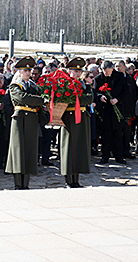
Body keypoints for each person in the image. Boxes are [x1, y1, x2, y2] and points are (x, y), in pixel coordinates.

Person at [5, 56, 44, 189]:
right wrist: (41, 100)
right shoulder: (15, 85)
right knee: (18, 150)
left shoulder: (34, 87)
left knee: (29, 151)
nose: (28, 72)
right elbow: (22, 98)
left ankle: (26, 183)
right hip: (20, 119)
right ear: (20, 72)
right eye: (25, 70)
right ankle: (18, 183)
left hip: (32, 119)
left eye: (29, 70)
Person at [61, 58, 93, 188]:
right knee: (69, 149)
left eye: (79, 71)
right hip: (69, 117)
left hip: (82, 117)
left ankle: (76, 180)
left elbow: (89, 98)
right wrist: (79, 99)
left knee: (79, 148)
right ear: (69, 71)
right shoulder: (65, 84)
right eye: (75, 70)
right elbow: (65, 98)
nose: (78, 73)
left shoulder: (84, 84)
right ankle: (69, 180)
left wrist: (76, 99)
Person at [94, 60, 127, 165]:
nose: (105, 73)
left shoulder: (120, 76)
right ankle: (105, 156)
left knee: (118, 134)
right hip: (105, 110)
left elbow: (125, 91)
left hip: (117, 108)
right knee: (106, 135)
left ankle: (119, 156)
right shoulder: (98, 78)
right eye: (103, 71)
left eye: (107, 70)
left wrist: (117, 99)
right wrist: (100, 96)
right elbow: (95, 92)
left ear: (112, 69)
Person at [116, 61, 138, 160]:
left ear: (124, 67)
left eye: (119, 66)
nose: (117, 68)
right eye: (116, 66)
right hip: (117, 109)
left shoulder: (130, 80)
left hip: (128, 110)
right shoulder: (114, 79)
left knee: (127, 132)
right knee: (118, 132)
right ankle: (117, 151)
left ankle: (126, 150)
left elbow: (135, 94)